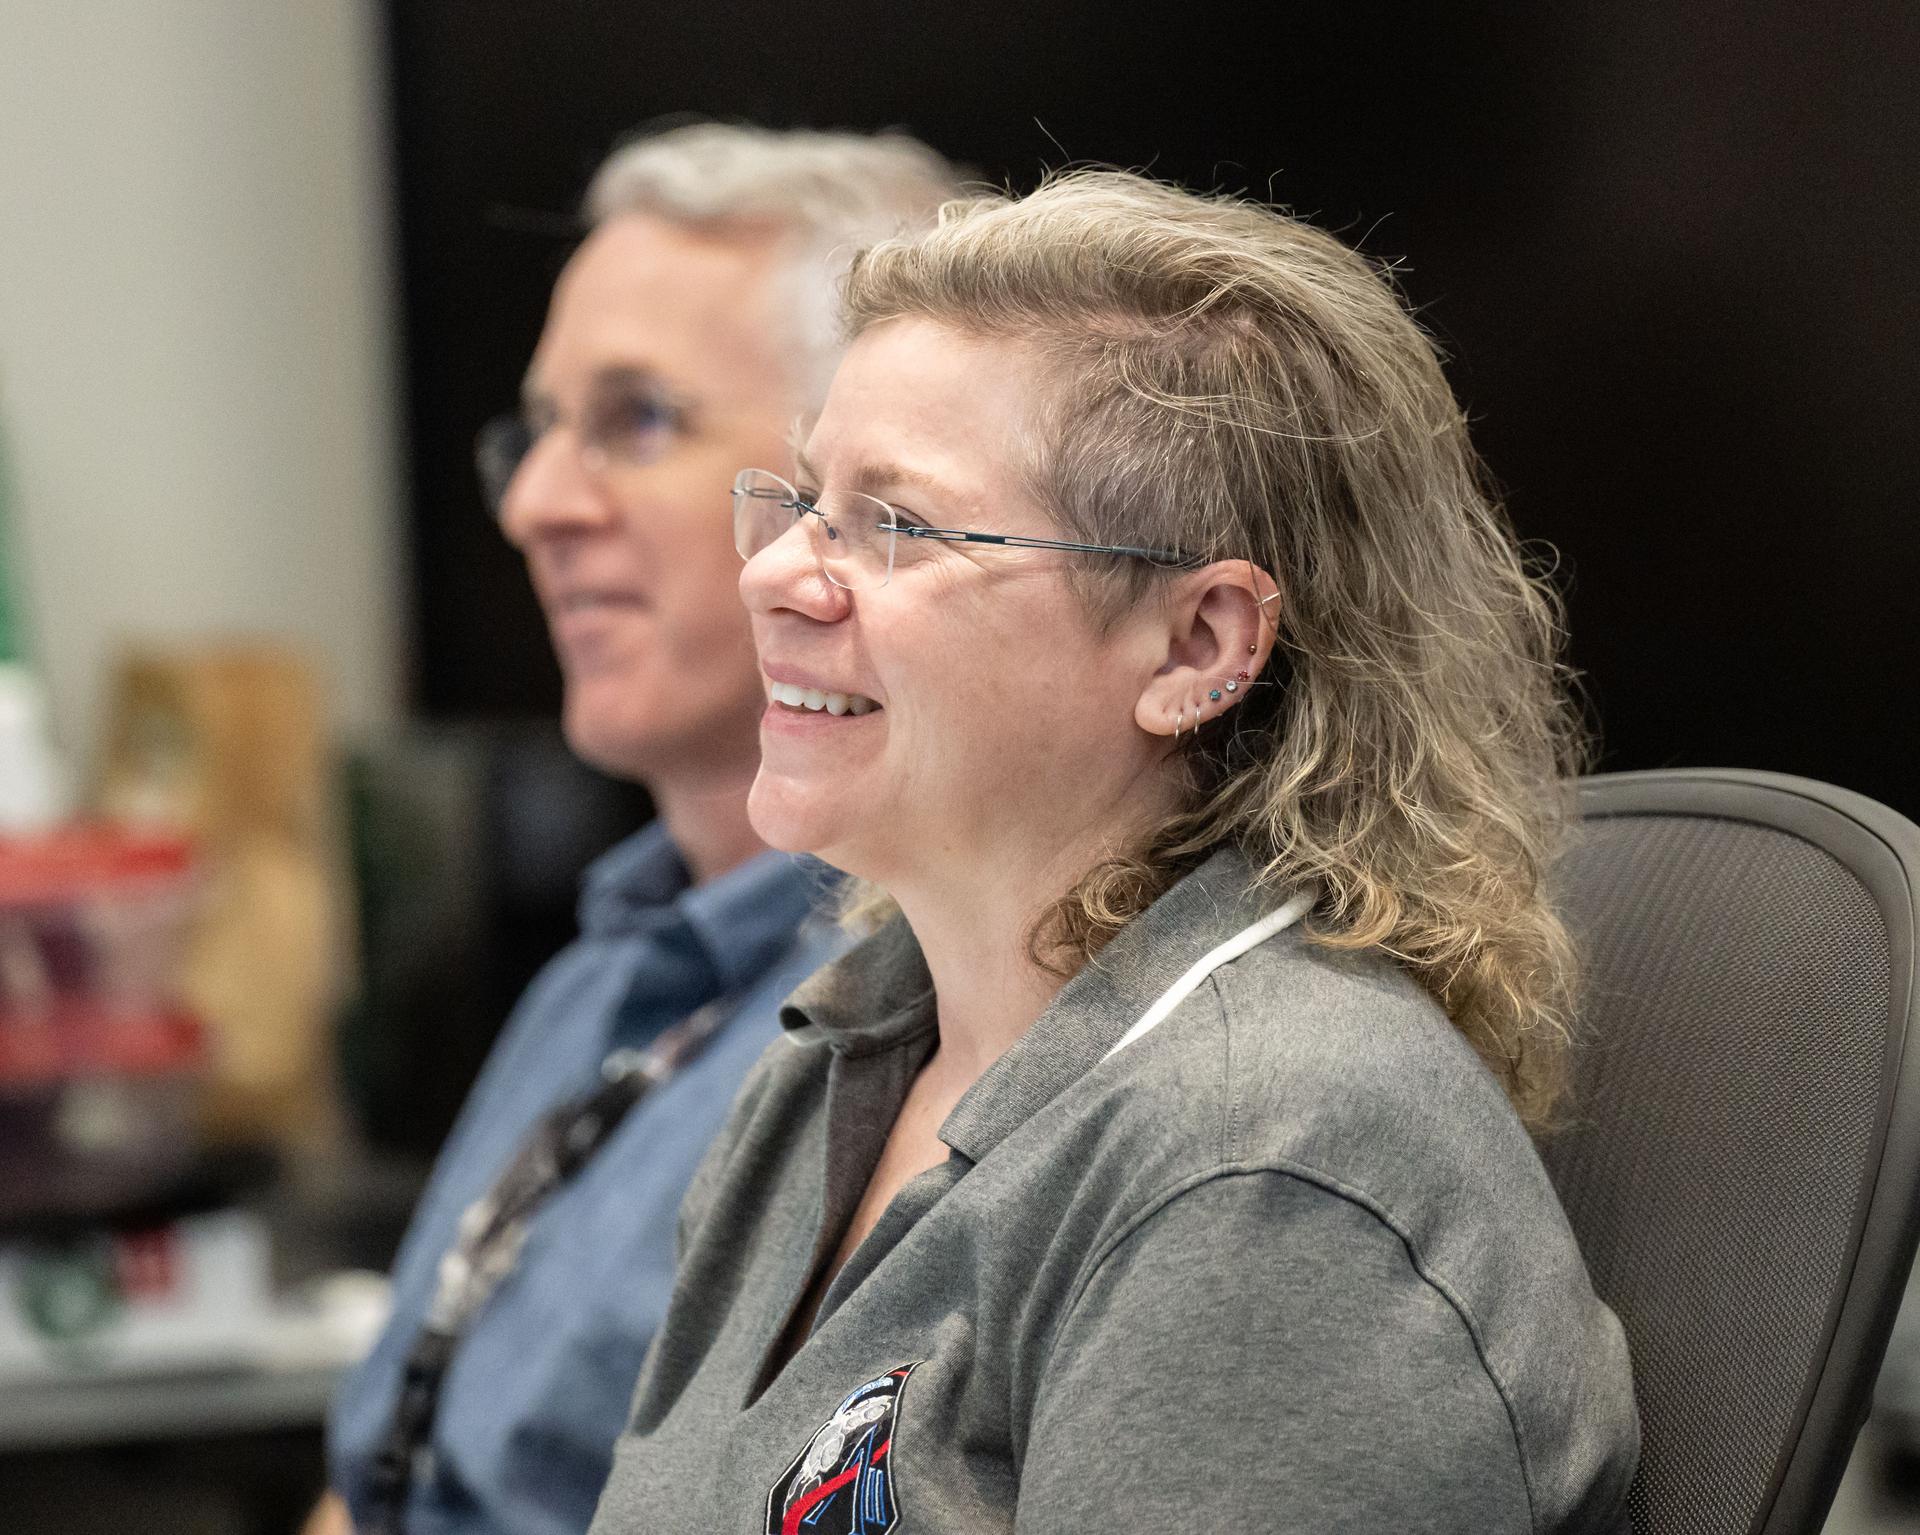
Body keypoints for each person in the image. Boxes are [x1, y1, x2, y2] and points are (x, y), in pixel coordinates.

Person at [589, 170, 1640, 1533]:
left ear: (1197, 645)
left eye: (896, 526)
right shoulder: (829, 1068)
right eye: (799, 501)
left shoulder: (1263, 1171)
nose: (776, 574)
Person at [314, 124, 961, 1535]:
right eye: (536, 433)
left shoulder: (935, 1018)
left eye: (639, 420)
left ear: (867, 505)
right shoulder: (600, 975)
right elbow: (373, 1482)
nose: (537, 504)